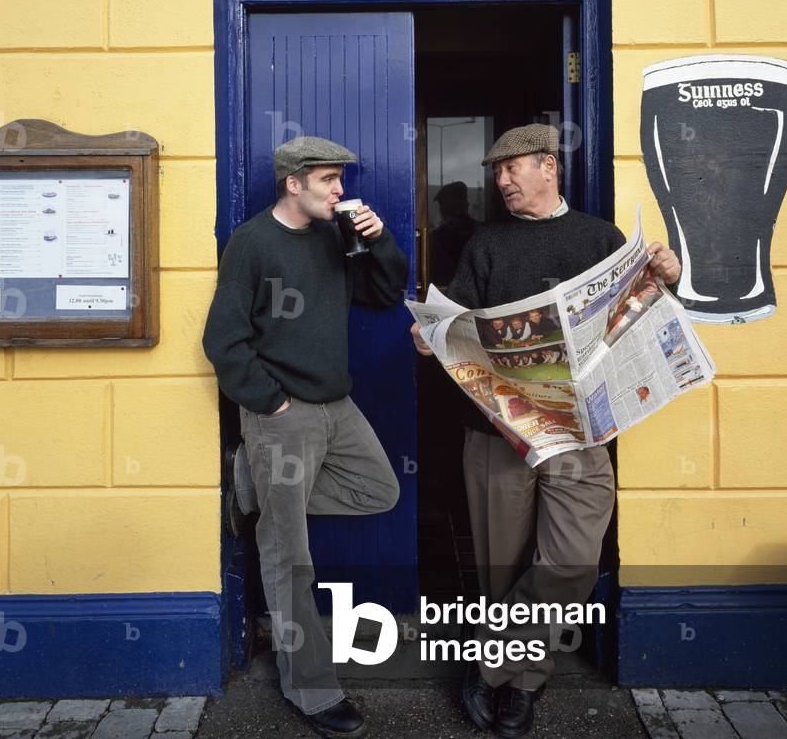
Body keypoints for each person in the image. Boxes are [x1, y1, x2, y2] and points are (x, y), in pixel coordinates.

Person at [411, 124, 680, 739]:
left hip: (581, 435)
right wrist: (433, 337)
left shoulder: (600, 238)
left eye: (512, 169)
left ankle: (491, 667)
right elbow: (456, 315)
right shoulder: (485, 243)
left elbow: (645, 320)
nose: (501, 181)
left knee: (571, 561)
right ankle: (521, 683)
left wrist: (665, 273)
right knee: (501, 568)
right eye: (496, 172)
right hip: (498, 432)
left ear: (548, 167)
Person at [203, 135, 408, 739]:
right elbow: (223, 341)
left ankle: (251, 483)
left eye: (340, 181)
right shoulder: (252, 243)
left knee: (380, 489)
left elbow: (383, 292)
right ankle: (313, 690)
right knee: (289, 555)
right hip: (281, 414)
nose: (340, 191)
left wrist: (379, 241)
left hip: (336, 405)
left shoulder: (334, 234)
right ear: (294, 183)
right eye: (328, 181)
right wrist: (271, 402)